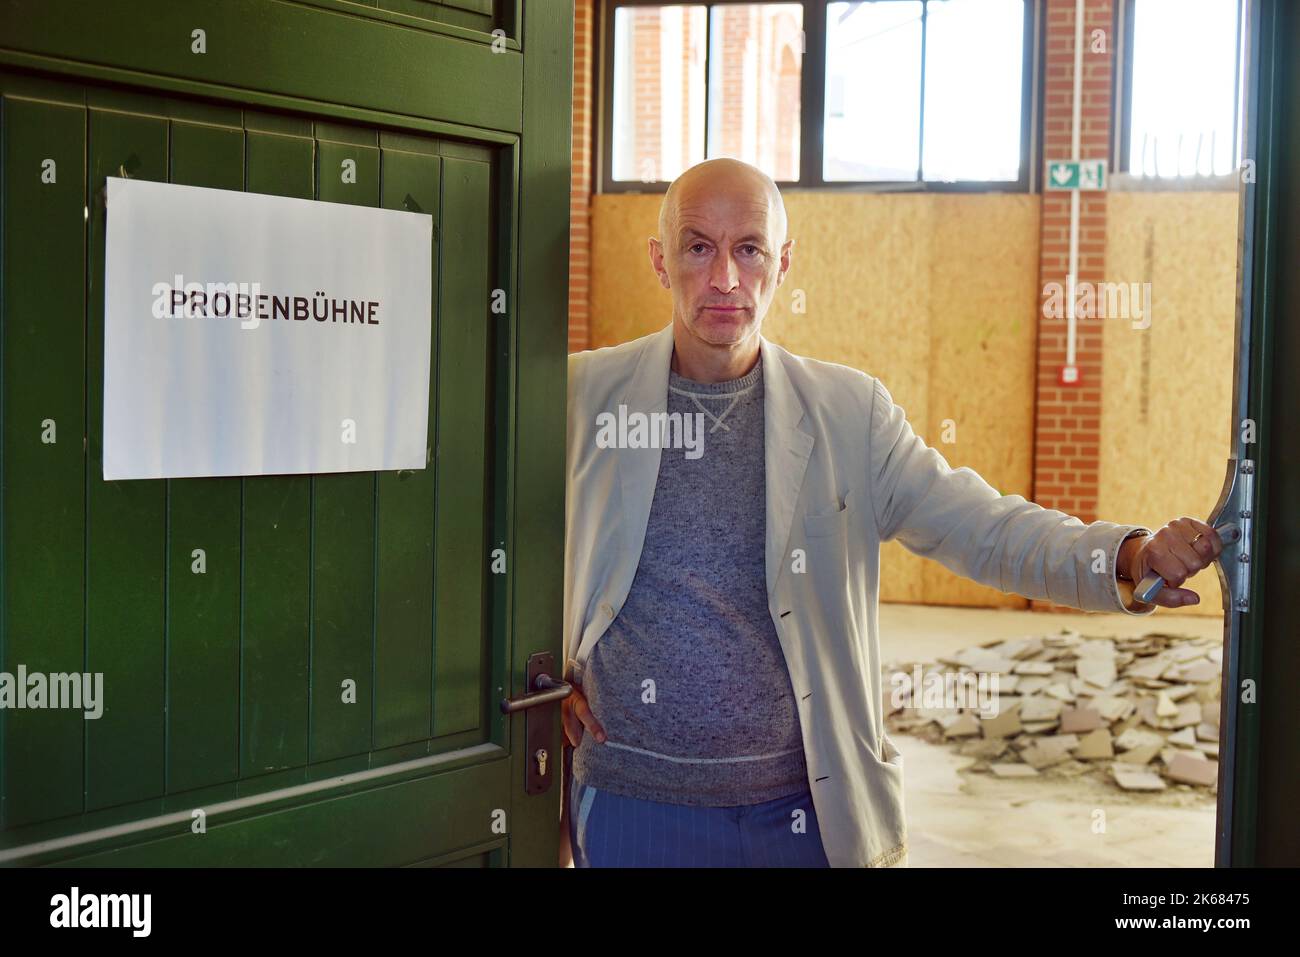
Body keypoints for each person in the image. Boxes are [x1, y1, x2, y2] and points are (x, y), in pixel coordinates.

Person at [559, 157, 1223, 868]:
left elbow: (982, 526)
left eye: (748, 248)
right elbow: (488, 551)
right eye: (699, 247)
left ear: (784, 262)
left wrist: (1126, 555)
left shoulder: (847, 413)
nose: (725, 277)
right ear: (661, 261)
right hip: (635, 804)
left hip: (804, 813)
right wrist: (532, 676)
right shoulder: (580, 398)